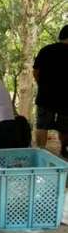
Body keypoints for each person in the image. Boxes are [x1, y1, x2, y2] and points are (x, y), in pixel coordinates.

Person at [33, 25, 68, 158]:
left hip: (45, 96)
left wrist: (42, 85)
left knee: (42, 125)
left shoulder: (46, 50)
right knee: (65, 127)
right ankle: (63, 150)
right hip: (66, 98)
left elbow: (35, 72)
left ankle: (41, 152)